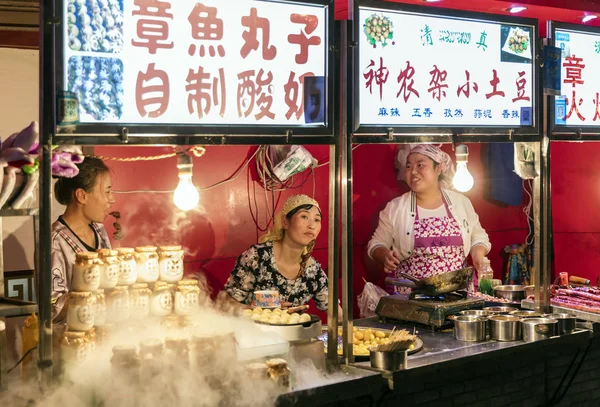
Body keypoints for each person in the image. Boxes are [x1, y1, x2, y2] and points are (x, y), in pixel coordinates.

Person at [367, 144, 490, 289]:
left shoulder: (460, 202)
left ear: (438, 169)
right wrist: (384, 254)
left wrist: (478, 255)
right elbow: (376, 244)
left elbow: (478, 236)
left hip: (458, 291)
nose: (413, 172)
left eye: (420, 165)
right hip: (411, 294)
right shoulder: (395, 208)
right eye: (408, 166)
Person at [225, 194, 331, 311]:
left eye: (317, 219)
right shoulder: (257, 256)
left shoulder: (313, 271)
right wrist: (259, 310)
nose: (311, 225)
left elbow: (335, 312)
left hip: (294, 330)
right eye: (304, 217)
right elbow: (226, 304)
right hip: (251, 328)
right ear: (285, 222)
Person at [51, 157, 115, 322]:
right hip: (68, 340)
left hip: (103, 331)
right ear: (82, 196)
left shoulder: (99, 230)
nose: (111, 199)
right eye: (107, 191)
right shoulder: (54, 241)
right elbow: (52, 307)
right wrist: (93, 296)